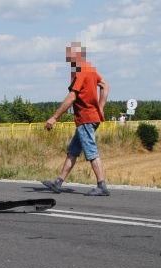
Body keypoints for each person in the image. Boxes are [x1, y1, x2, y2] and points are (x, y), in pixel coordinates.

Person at [42, 42, 110, 196]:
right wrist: (101, 106)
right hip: (88, 117)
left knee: (91, 152)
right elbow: (105, 85)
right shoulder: (91, 70)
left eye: (70, 54)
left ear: (78, 55)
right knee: (73, 151)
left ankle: (102, 185)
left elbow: (72, 97)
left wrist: (54, 117)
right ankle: (58, 182)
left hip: (86, 118)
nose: (68, 58)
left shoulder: (81, 71)